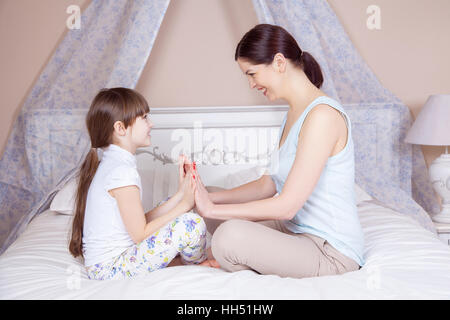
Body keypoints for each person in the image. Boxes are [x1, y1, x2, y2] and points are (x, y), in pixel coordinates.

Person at [194, 24, 365, 279]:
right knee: (208, 201)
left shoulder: (323, 116)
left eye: (252, 74)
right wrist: (204, 198)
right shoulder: (293, 115)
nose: (251, 84)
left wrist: (213, 210)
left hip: (329, 250)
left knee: (228, 236)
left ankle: (228, 258)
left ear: (279, 62)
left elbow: (286, 206)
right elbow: (268, 185)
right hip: (293, 230)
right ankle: (232, 252)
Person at [68, 87, 214, 280]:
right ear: (120, 128)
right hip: (109, 270)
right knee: (191, 224)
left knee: (175, 205)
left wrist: (180, 196)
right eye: (144, 118)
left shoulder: (115, 163)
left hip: (108, 265)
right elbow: (139, 234)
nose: (151, 124)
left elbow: (138, 221)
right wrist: (185, 206)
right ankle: (196, 264)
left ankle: (182, 261)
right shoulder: (121, 171)